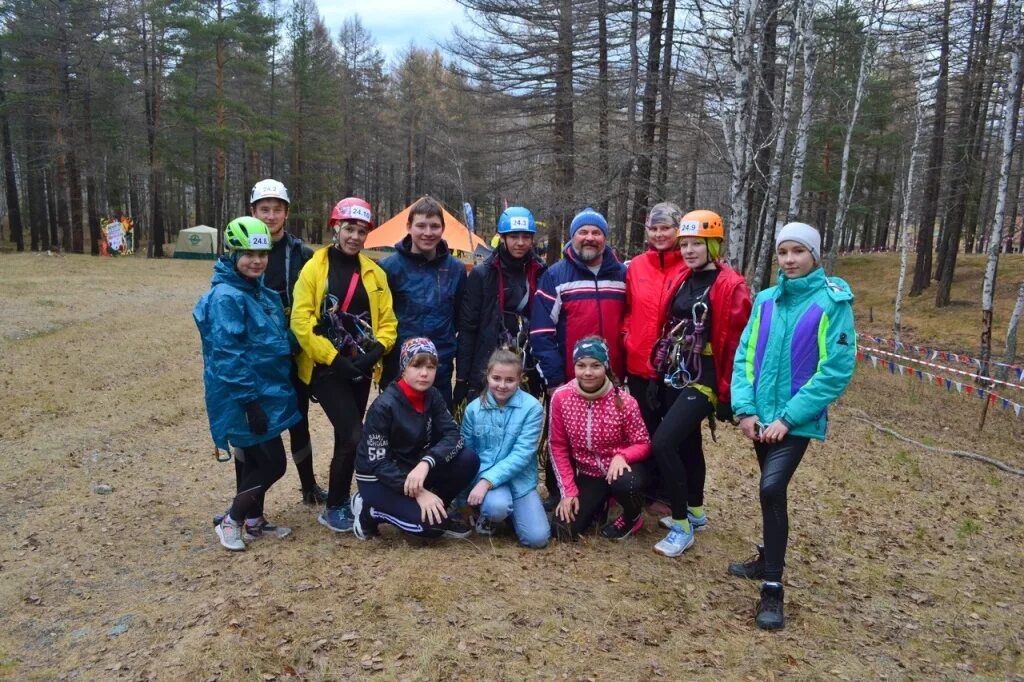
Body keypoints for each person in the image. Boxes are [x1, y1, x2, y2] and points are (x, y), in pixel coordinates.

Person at [729, 222, 856, 631]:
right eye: (783, 252)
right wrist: (745, 410)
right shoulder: (765, 299)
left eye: (798, 252)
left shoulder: (833, 303)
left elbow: (835, 370)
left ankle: (772, 588)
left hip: (794, 423)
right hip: (760, 419)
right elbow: (745, 356)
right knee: (769, 488)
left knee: (771, 489)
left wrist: (789, 417)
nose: (789, 260)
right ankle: (767, 556)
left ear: (814, 256)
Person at [646, 210, 752, 558]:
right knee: (689, 443)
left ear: (713, 245)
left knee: (664, 443)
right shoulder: (683, 278)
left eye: (697, 244)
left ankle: (681, 525)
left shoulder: (729, 286)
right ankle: (695, 510)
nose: (689, 250)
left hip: (704, 377)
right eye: (685, 244)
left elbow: (737, 345)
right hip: (676, 370)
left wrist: (728, 395)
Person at [290, 197, 397, 533]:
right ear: (335, 227)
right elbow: (301, 320)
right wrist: (333, 358)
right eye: (349, 228)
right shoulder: (314, 268)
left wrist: (374, 353)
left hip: (361, 368)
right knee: (354, 434)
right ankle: (335, 505)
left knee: (344, 437)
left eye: (361, 231)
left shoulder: (375, 273)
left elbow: (389, 322)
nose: (354, 236)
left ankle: (338, 499)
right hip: (326, 369)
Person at [194, 217, 301, 551]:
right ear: (232, 253)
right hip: (243, 395)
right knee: (273, 463)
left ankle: (254, 520)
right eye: (247, 254)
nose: (256, 261)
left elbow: (273, 336)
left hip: (266, 390)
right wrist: (250, 402)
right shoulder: (227, 297)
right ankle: (232, 520)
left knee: (255, 460)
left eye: (262, 254)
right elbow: (228, 354)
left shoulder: (259, 291)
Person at [531, 207, 627, 508]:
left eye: (596, 232)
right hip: (568, 378)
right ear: (572, 238)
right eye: (582, 232)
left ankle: (608, 492)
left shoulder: (623, 276)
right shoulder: (556, 276)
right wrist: (555, 378)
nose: (589, 238)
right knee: (562, 437)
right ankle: (558, 490)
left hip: (613, 379)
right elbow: (541, 330)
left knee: (610, 434)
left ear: (605, 238)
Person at [350, 338, 480, 540]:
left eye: (431, 366)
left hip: (414, 469)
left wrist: (426, 463)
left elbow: (453, 435)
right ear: (404, 368)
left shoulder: (433, 395)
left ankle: (436, 509)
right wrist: (419, 493)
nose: (424, 373)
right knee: (433, 528)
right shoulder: (384, 406)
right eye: (416, 365)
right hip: (378, 479)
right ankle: (369, 510)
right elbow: (378, 463)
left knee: (468, 459)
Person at [248, 178, 325, 505]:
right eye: (264, 209)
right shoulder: (243, 251)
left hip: (294, 350)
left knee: (298, 419)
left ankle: (308, 487)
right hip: (258, 353)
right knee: (256, 426)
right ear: (253, 211)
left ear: (286, 213)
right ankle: (251, 498)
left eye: (276, 209)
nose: (270, 216)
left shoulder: (301, 254)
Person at [621, 202, 689, 513]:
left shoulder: (689, 265)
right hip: (638, 364)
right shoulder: (636, 265)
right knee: (643, 430)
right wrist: (627, 336)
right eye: (654, 228)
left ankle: (671, 494)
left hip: (676, 368)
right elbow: (628, 309)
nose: (660, 234)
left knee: (672, 434)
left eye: (666, 228)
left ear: (679, 230)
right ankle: (644, 488)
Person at [548, 337, 650, 541]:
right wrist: (568, 490)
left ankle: (632, 517)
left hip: (620, 469)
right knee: (562, 531)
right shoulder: (561, 397)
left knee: (626, 483)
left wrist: (622, 455)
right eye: (581, 365)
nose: (587, 372)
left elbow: (643, 442)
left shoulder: (625, 402)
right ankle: (599, 504)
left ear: (606, 366)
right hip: (589, 473)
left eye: (595, 365)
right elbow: (557, 446)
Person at [379, 196, 467, 408]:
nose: (428, 232)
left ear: (443, 229)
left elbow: (458, 316)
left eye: (434, 226)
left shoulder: (455, 269)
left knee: (438, 429)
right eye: (421, 225)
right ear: (409, 226)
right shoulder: (388, 267)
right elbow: (382, 316)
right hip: (399, 366)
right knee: (400, 431)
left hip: (440, 365)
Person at [455, 206, 546, 406]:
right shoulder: (482, 275)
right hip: (489, 362)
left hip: (527, 363)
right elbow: (468, 327)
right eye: (514, 236)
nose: (520, 243)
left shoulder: (540, 273)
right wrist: (463, 378)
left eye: (526, 237)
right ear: (502, 238)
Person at [460, 349, 550, 548]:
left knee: (537, 539)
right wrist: (466, 496)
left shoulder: (532, 408)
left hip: (520, 479)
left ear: (520, 379)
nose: (502, 385)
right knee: (496, 506)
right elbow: (466, 453)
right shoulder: (473, 409)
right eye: (496, 378)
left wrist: (486, 483)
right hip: (485, 475)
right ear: (488, 376)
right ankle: (488, 516)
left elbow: (523, 453)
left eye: (509, 380)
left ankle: (514, 513)